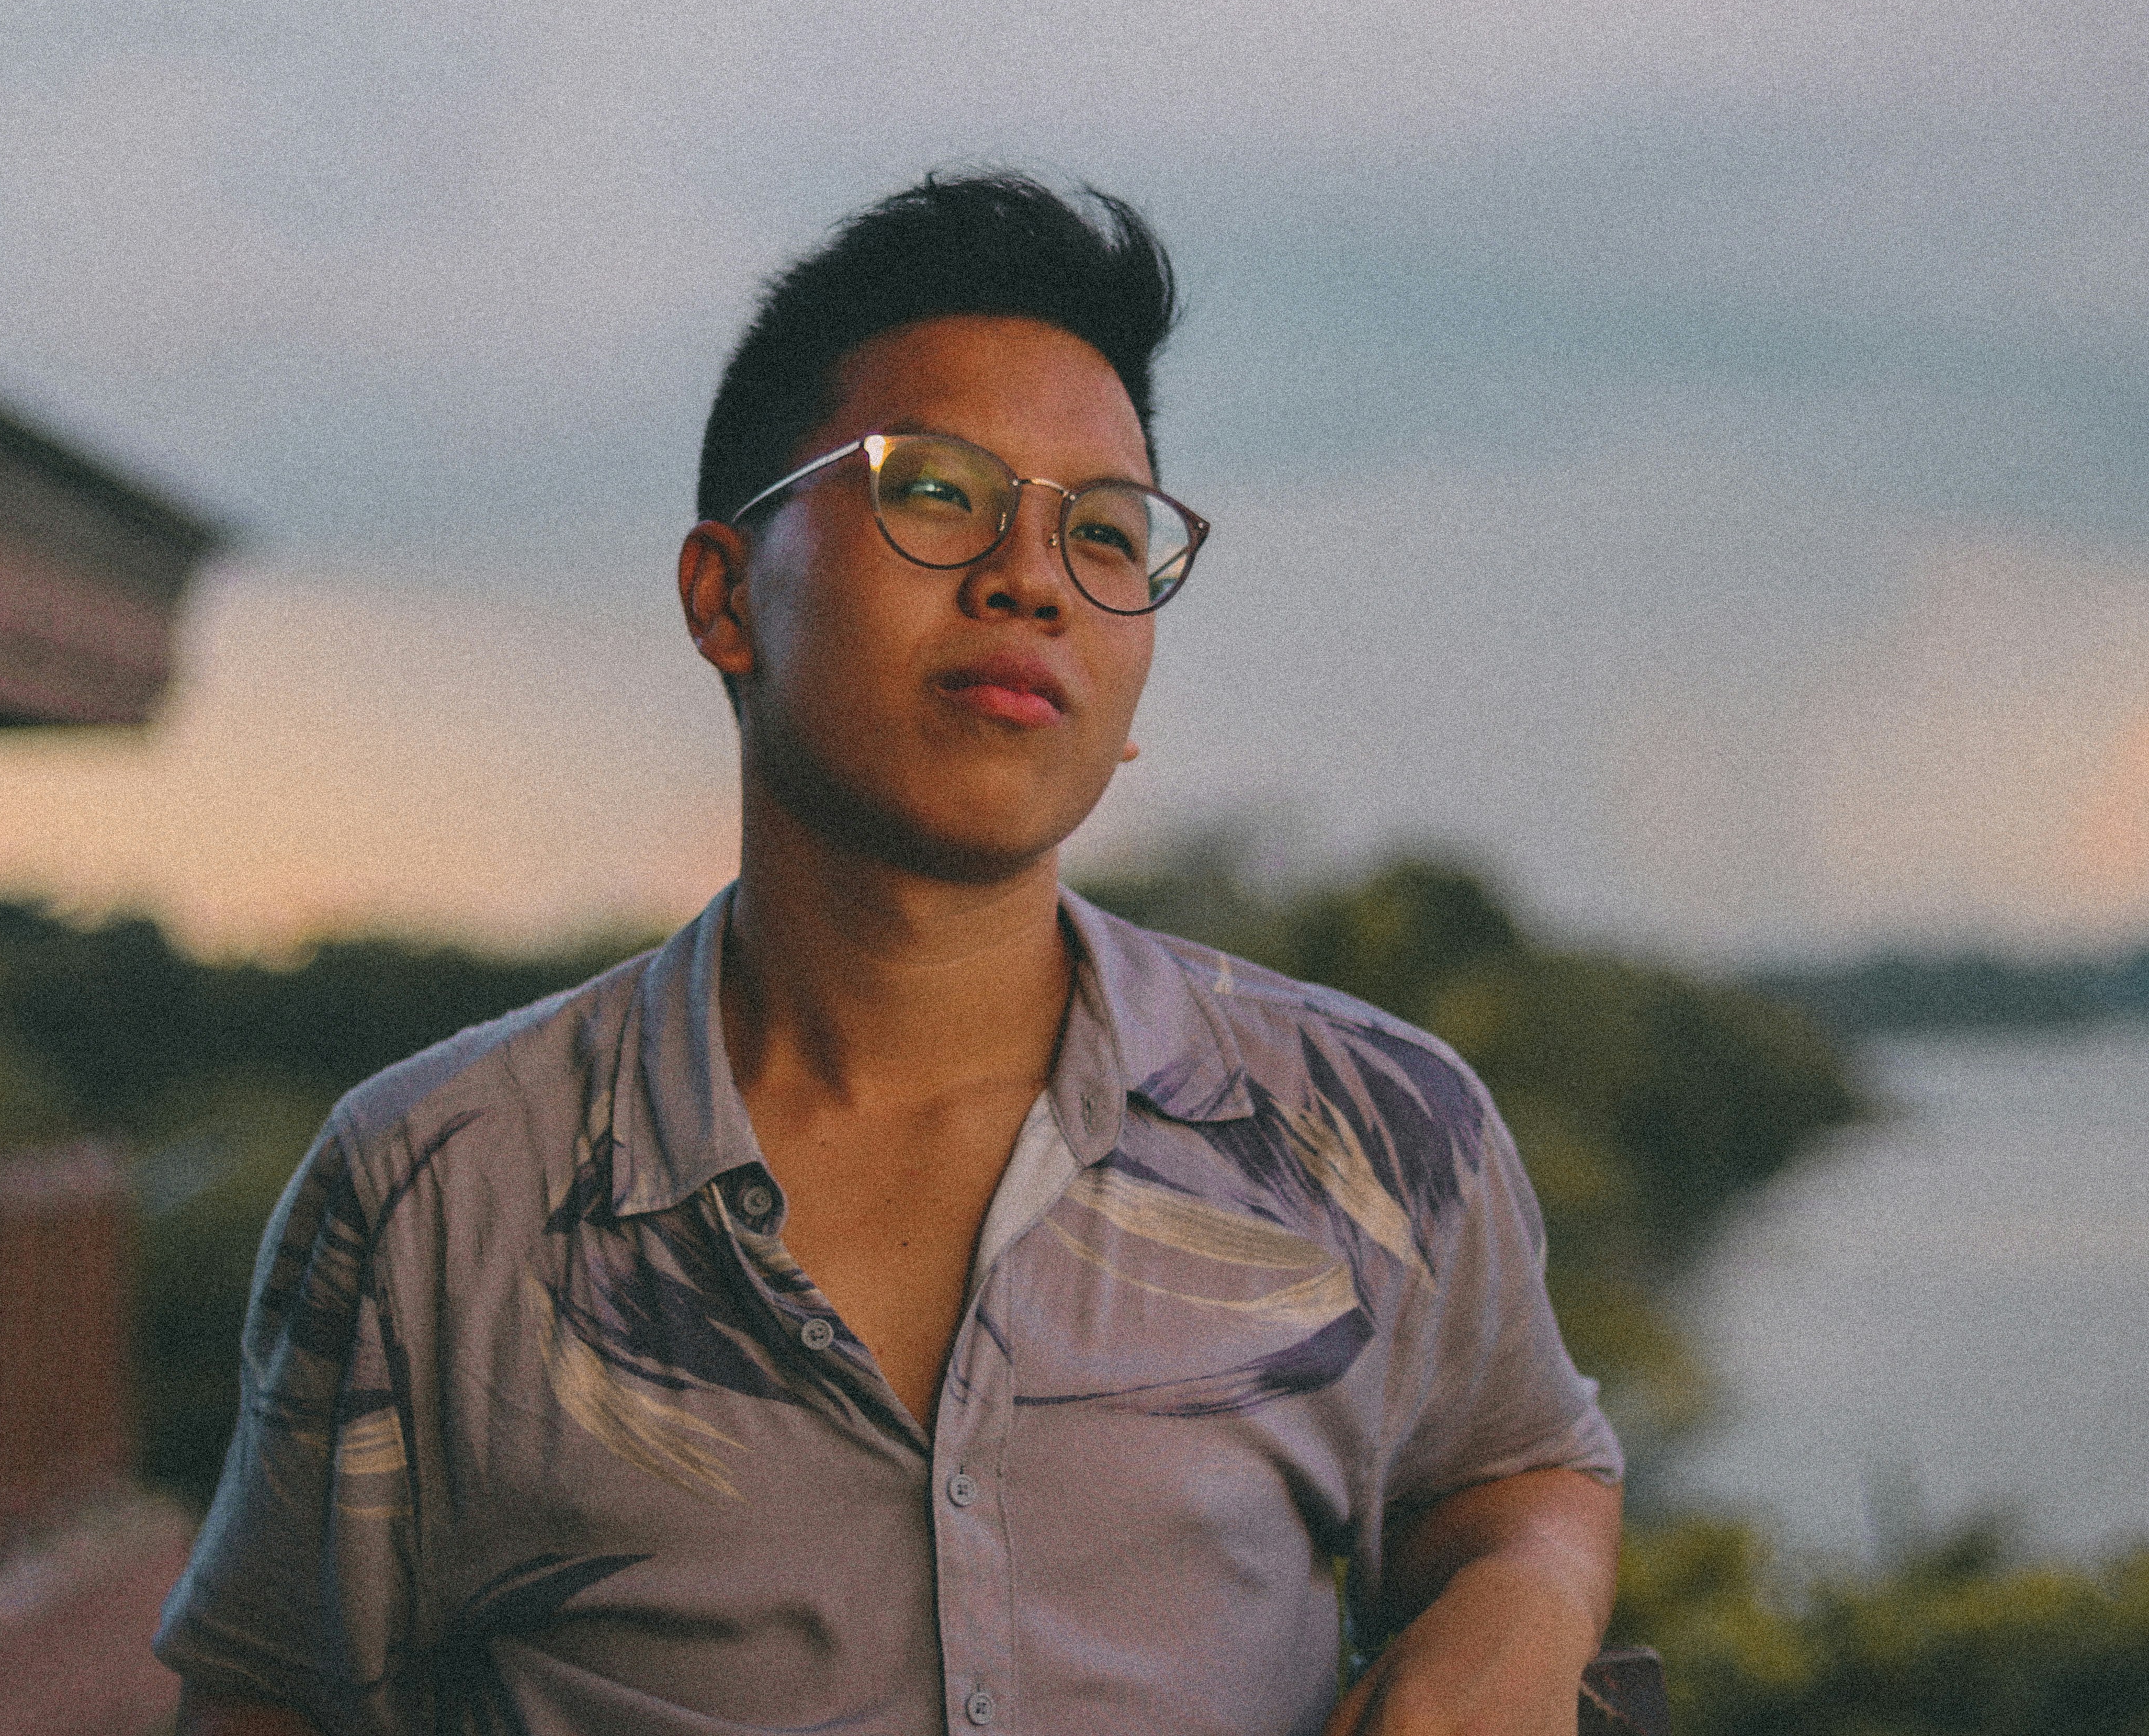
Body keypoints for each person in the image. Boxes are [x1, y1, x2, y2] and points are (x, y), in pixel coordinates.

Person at [160, 175, 1624, 1736]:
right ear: (726, 598)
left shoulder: (1372, 1134)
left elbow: (1518, 1466)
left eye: (1108, 532)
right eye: (934, 492)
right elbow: (278, 1699)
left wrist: (1522, 1599)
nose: (1031, 576)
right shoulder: (435, 1198)